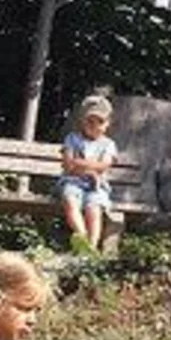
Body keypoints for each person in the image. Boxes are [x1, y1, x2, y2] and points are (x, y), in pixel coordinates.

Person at [57, 96, 118, 255]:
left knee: (94, 209)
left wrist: (80, 163)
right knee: (70, 201)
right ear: (83, 121)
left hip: (97, 185)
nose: (95, 126)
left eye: (100, 122)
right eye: (90, 121)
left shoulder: (108, 144)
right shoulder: (72, 138)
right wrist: (90, 170)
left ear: (107, 124)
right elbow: (68, 164)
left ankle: (91, 246)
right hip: (72, 181)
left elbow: (104, 165)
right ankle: (82, 237)